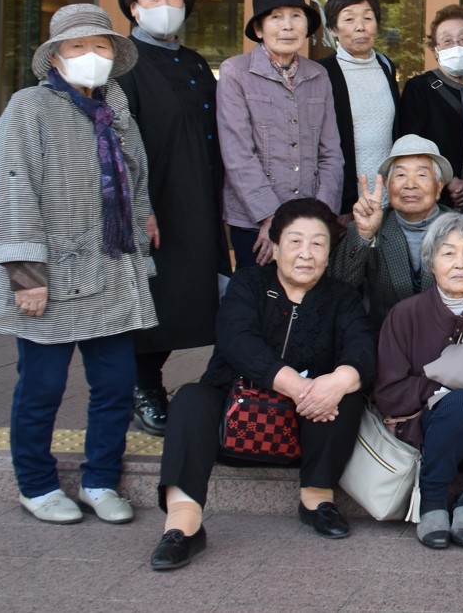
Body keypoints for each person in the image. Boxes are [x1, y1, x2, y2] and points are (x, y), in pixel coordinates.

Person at [0, 4, 156, 526]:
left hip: (112, 272)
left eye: (100, 46)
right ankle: (35, 485)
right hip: (50, 275)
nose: (91, 56)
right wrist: (26, 276)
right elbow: (13, 192)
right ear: (56, 57)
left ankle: (100, 479)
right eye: (78, 47)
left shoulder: (116, 109)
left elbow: (137, 183)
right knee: (41, 389)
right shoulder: (29, 108)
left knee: (114, 386)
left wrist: (143, 235)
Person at [149, 199, 376, 569]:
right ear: (275, 245)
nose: (306, 254)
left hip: (303, 428)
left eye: (317, 244)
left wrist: (338, 380)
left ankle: (317, 499)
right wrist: (297, 386)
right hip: (234, 418)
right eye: (295, 241)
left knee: (344, 393)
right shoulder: (248, 283)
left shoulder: (342, 298)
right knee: (190, 399)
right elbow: (237, 339)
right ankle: (182, 526)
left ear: (330, 251)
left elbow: (363, 348)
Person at [114, 0, 228, 437]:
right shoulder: (123, 63)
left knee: (197, 295)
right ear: (134, 8)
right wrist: (136, 206)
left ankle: (205, 388)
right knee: (156, 296)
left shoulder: (196, 62)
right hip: (156, 200)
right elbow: (116, 143)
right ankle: (143, 385)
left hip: (198, 196)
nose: (165, 6)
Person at [373, 213, 463, 549]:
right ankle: (433, 502)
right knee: (462, 403)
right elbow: (390, 394)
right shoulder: (405, 314)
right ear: (430, 262)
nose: (460, 263)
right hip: (429, 430)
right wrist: (451, 387)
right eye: (448, 253)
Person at [217, 0, 342, 268]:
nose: (288, 26)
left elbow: (331, 154)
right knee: (259, 292)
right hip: (255, 221)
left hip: (311, 222)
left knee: (309, 292)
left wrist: (321, 215)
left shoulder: (318, 75)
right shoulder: (235, 72)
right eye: (276, 17)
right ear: (259, 29)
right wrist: (271, 218)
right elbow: (237, 154)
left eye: (296, 16)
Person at [332, 134, 454, 330]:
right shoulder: (372, 226)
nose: (410, 184)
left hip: (447, 338)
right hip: (385, 336)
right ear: (387, 185)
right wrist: (364, 235)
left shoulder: (461, 230)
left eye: (422, 175)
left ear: (439, 187)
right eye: (401, 175)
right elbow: (338, 286)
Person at [317, 0, 400, 216]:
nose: (360, 26)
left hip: (388, 193)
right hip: (345, 198)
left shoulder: (386, 66)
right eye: (349, 19)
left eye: (368, 17)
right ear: (333, 28)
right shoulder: (323, 72)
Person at [398, 4, 463, 210]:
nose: (456, 46)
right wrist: (449, 180)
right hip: (436, 202)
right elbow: (412, 144)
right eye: (447, 41)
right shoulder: (419, 88)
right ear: (436, 49)